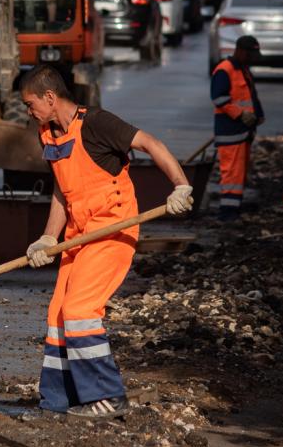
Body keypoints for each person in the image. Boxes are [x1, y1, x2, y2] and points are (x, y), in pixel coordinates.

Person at [19, 65, 194, 419]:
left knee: (81, 311)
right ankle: (60, 399)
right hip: (78, 236)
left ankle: (106, 396)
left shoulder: (97, 123)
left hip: (112, 230)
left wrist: (180, 185)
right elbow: (62, 189)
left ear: (50, 98)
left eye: (30, 103)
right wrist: (48, 237)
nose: (28, 110)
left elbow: (150, 143)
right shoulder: (48, 134)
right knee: (58, 316)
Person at [211, 35, 265, 220]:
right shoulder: (224, 70)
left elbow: (250, 95)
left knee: (239, 173)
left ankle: (233, 208)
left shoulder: (242, 70)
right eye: (250, 54)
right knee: (232, 174)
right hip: (230, 132)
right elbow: (219, 98)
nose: (252, 59)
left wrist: (258, 114)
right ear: (241, 51)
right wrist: (240, 114)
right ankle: (227, 213)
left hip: (242, 132)